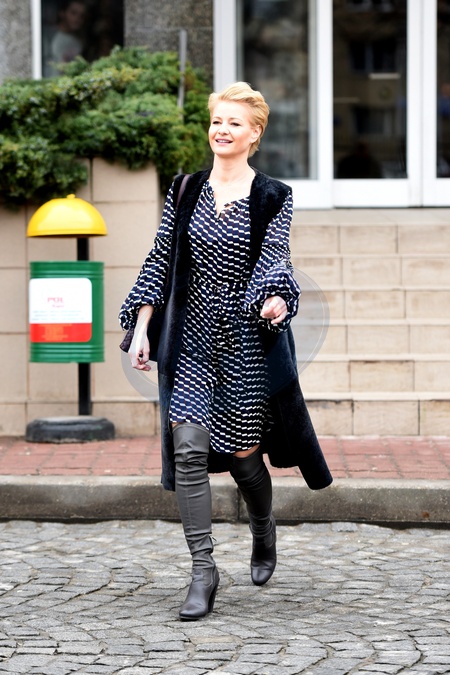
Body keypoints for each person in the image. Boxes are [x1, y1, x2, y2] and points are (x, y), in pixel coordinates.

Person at [119, 82, 332, 621]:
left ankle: (263, 526)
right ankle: (203, 570)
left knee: (242, 455)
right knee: (188, 447)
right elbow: (160, 259)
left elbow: (275, 257)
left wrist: (275, 297)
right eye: (217, 120)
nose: (222, 129)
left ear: (254, 134)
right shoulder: (185, 188)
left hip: (244, 340)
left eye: (235, 122)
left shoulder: (273, 195)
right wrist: (142, 327)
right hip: (190, 337)